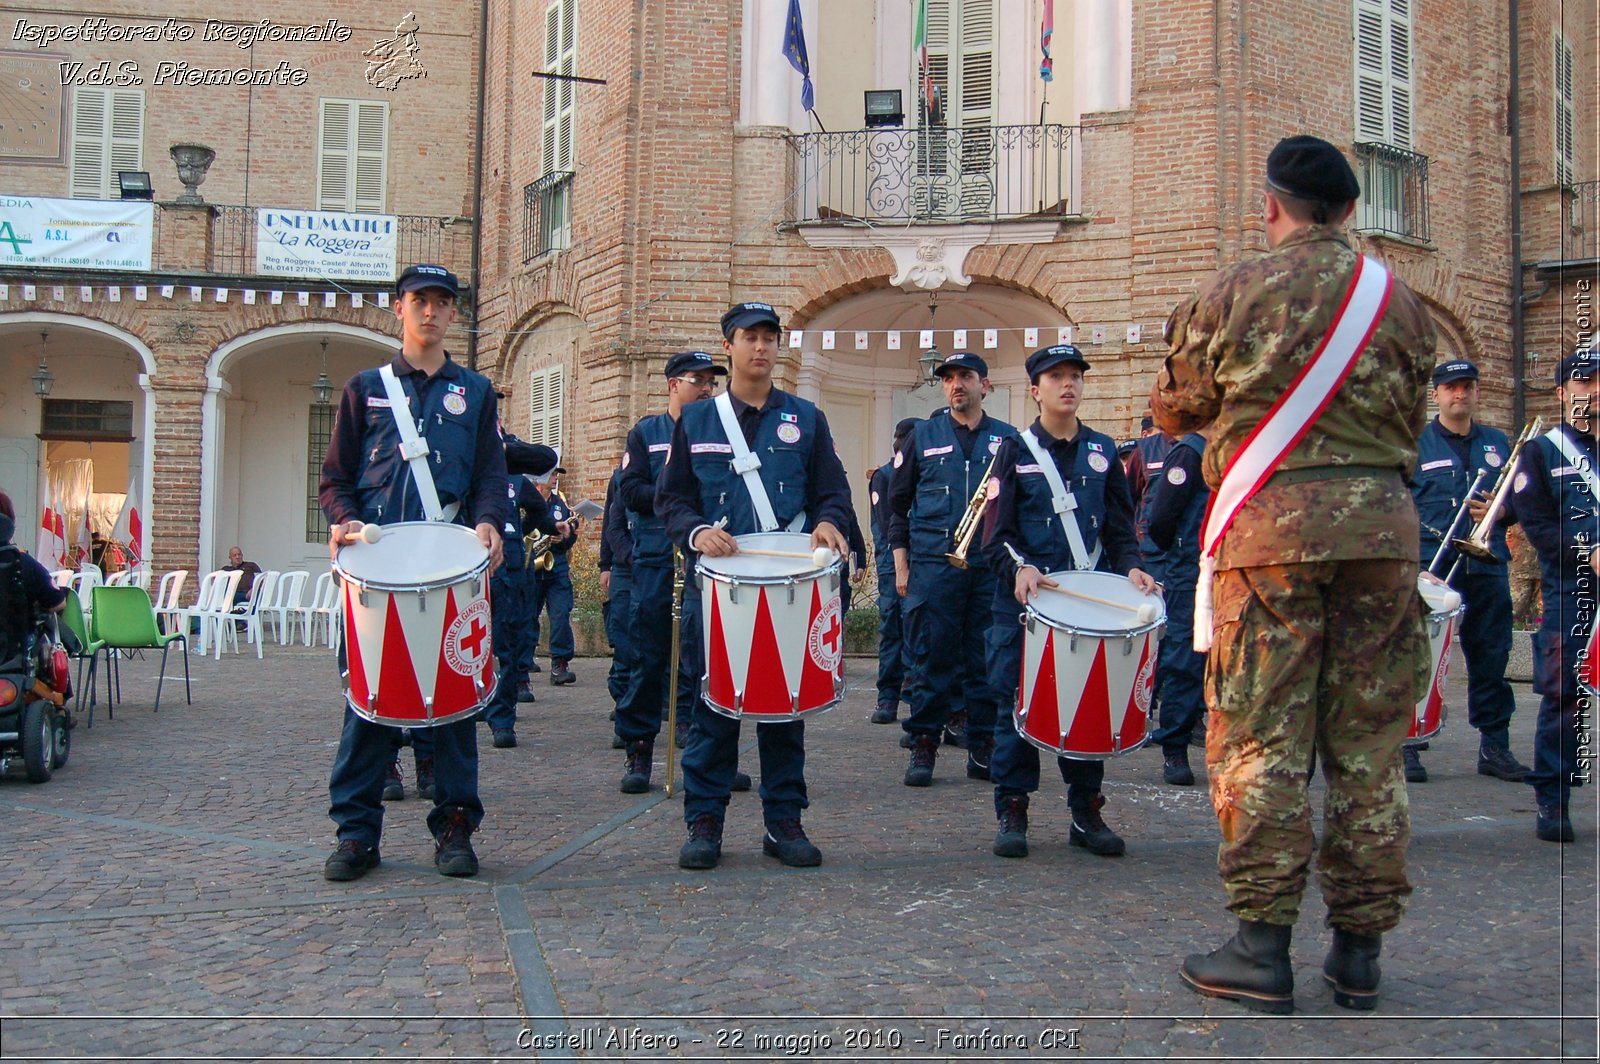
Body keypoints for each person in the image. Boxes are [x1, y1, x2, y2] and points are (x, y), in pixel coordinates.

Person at [1152, 136, 1436, 1014]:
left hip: (1268, 539)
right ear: (1349, 211)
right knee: (1369, 744)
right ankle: (1359, 953)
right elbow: (1414, 413)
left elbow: (1176, 407)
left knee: (1261, 739)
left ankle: (1261, 948)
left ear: (1270, 206)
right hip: (1382, 540)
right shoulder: (1406, 305)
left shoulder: (1231, 291)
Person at [319, 263, 508, 882]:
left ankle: (455, 828)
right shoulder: (363, 388)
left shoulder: (475, 392)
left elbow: (489, 477)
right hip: (378, 569)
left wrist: (489, 522)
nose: (431, 311)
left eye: (442, 302)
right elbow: (335, 480)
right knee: (370, 705)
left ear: (454, 313)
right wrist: (344, 521)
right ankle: (355, 833)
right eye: (419, 300)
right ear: (398, 308)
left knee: (455, 705)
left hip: (449, 565)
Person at [656, 302, 852, 870]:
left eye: (770, 338)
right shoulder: (696, 421)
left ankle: (783, 821)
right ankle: (705, 821)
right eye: (750, 337)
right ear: (730, 347)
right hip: (720, 588)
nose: (761, 348)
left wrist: (829, 521)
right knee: (714, 706)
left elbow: (832, 492)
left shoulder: (807, 418)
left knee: (785, 709)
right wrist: (694, 532)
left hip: (790, 585)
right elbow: (672, 499)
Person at [981, 344, 1156, 862]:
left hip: (1086, 608)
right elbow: (995, 535)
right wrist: (1019, 568)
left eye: (1075, 376)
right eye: (1056, 376)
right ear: (1035, 390)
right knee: (1016, 707)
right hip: (1024, 605)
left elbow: (1123, 531)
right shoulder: (1011, 451)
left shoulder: (1104, 451)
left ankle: (1086, 811)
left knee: (1087, 706)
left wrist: (1133, 568)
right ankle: (1013, 809)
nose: (1068, 384)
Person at [889, 353, 1019, 785]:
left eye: (965, 376)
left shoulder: (1008, 439)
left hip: (989, 567)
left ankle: (981, 746)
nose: (956, 384)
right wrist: (901, 564)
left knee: (986, 661)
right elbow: (897, 506)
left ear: (986, 384)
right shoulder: (922, 436)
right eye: (948, 378)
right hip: (932, 565)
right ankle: (924, 743)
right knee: (930, 658)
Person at [1407, 359, 1529, 784]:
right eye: (1451, 388)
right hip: (1433, 565)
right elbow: (1398, 502)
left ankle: (1494, 746)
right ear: (1436, 394)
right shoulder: (1416, 443)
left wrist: (1501, 510)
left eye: (1467, 387)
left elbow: (1521, 502)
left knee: (1491, 656)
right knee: (1418, 655)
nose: (1459, 394)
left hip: (1486, 562)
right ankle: (1410, 745)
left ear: (1477, 393)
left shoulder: (1498, 442)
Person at [613, 351, 724, 792]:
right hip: (658, 558)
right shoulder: (647, 433)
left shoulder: (719, 431)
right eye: (696, 380)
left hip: (706, 557)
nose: (705, 389)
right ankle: (638, 749)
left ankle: (705, 752)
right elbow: (630, 491)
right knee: (648, 656)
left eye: (711, 382)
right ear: (672, 385)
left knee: (704, 661)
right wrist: (674, 491)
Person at [1509, 351, 1599, 844]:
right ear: (1563, 393)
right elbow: (1539, 527)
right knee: (1564, 695)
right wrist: (1589, 553)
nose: (1594, 389)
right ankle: (1553, 799)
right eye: (1584, 381)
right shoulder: (1542, 453)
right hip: (1572, 590)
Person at [478, 433, 561, 749]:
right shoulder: (467, 466)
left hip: (510, 567)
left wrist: (515, 532)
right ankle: (474, 702)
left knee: (507, 644)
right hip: (472, 560)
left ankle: (502, 719)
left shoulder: (514, 472)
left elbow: (545, 461)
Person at [1142, 429, 1210, 785]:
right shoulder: (1190, 453)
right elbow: (1160, 519)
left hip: (1232, 568)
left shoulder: (1240, 445)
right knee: (1185, 659)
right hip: (1192, 570)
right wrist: (1183, 554)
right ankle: (1175, 747)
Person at [868, 418, 918, 725]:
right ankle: (887, 697)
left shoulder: (918, 475)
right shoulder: (885, 477)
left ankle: (913, 696)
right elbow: (889, 525)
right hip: (892, 567)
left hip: (921, 564)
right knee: (893, 632)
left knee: (917, 633)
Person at [528, 469, 578, 686]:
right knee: (527, 615)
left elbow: (571, 536)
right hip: (531, 566)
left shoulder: (560, 505)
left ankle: (560, 664)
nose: (556, 477)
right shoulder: (526, 501)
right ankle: (524, 659)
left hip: (556, 566)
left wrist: (564, 539)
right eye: (552, 474)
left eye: (557, 474)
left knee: (560, 613)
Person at [599, 460, 635, 715]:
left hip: (660, 563)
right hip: (626, 564)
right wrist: (606, 565)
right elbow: (611, 523)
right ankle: (623, 703)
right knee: (622, 638)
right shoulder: (620, 476)